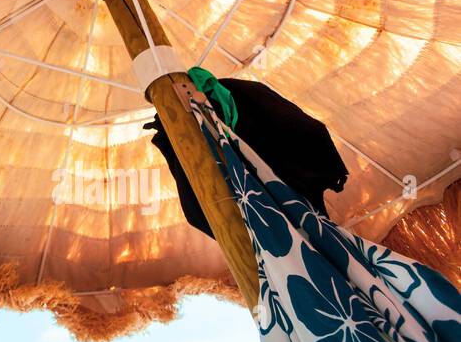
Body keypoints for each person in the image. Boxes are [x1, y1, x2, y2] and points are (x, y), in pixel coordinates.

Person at [145, 75, 348, 239]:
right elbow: (309, 134)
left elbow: (198, 215)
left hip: (276, 227)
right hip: (300, 218)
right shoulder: (182, 141)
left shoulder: (234, 95)